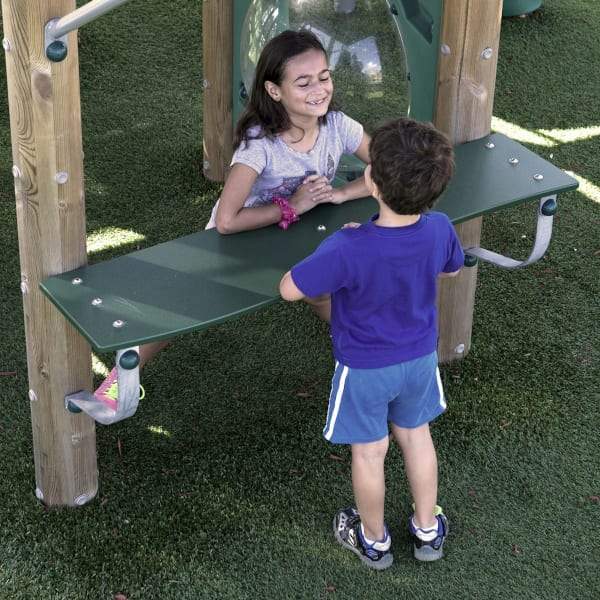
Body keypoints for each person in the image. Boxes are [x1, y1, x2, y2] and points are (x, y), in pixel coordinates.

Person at [95, 29, 370, 404]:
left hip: (299, 234)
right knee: (184, 304)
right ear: (275, 91)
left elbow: (388, 171)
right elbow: (227, 221)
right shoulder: (260, 144)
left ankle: (361, 348)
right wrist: (294, 206)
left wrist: (340, 193)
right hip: (240, 239)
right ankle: (121, 378)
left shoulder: (339, 126)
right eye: (303, 82)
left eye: (324, 77)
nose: (319, 89)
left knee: (322, 290)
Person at [279, 117, 464, 570]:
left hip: (364, 368)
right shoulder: (440, 227)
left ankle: (374, 539)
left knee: (369, 452)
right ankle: (426, 529)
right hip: (419, 358)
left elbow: (289, 289)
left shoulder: (348, 246)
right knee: (416, 438)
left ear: (371, 181)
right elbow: (452, 269)